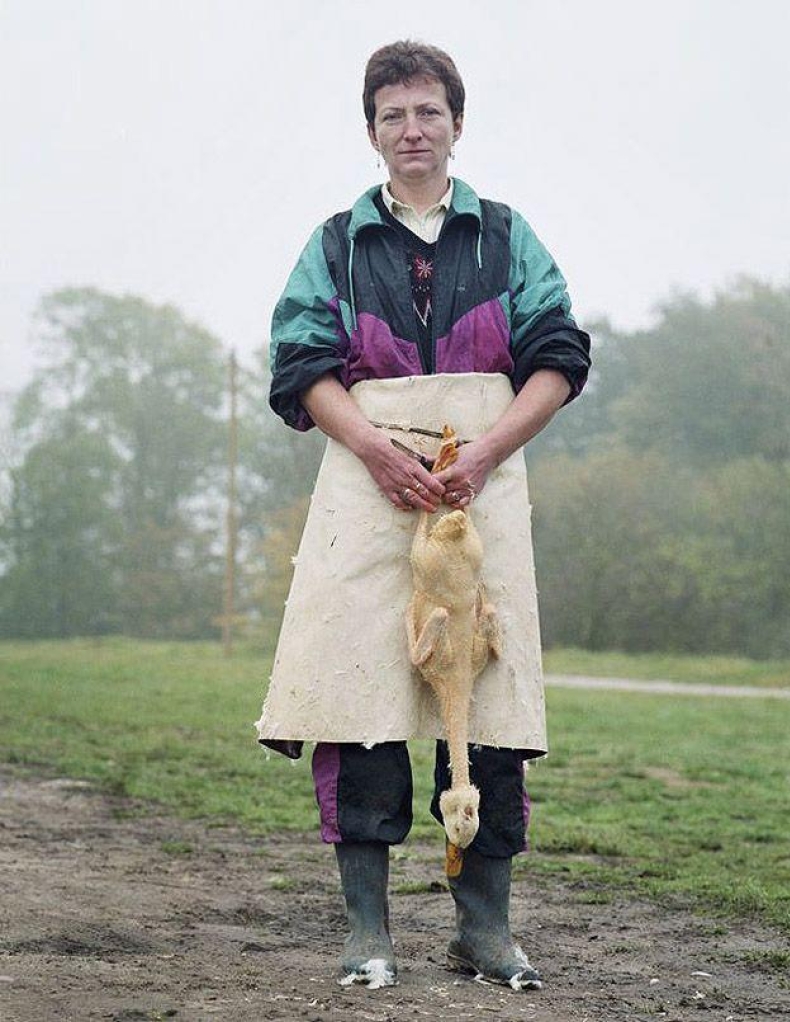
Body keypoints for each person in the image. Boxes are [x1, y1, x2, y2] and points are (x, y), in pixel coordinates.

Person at [256, 40, 591, 991]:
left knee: (487, 704)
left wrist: (482, 454)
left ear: (456, 123)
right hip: (366, 488)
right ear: (371, 131)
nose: (412, 129)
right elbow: (300, 363)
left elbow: (558, 356)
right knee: (356, 703)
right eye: (393, 114)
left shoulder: (507, 237)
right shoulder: (334, 244)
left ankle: (484, 932)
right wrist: (372, 448)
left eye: (428, 112)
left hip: (482, 487)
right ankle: (368, 933)